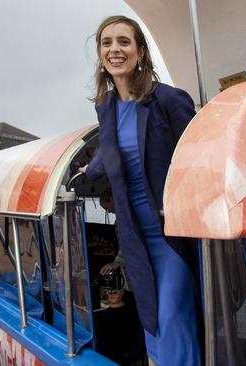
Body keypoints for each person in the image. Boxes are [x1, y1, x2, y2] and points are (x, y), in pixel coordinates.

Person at [80, 15, 201, 365]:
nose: (115, 49)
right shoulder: (106, 109)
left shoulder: (168, 100)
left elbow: (197, 153)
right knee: (151, 320)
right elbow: (111, 149)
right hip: (133, 235)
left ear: (140, 51)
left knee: (173, 317)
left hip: (170, 233)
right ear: (101, 54)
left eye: (124, 42)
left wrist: (182, 203)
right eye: (107, 43)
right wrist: (90, 168)